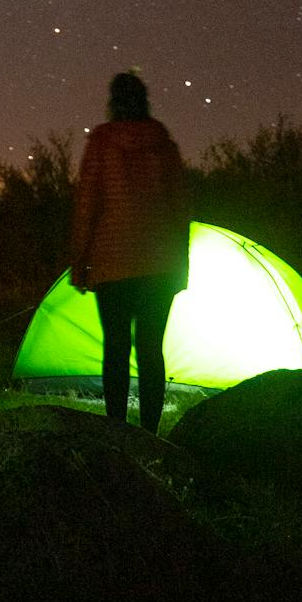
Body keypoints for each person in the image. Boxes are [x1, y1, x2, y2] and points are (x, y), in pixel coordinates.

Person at [71, 70, 192, 433]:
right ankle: (150, 431)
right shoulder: (162, 142)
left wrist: (80, 262)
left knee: (117, 349)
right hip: (160, 261)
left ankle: (117, 429)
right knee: (151, 349)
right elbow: (180, 205)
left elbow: (87, 204)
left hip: (112, 260)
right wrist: (181, 263)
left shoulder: (102, 142)